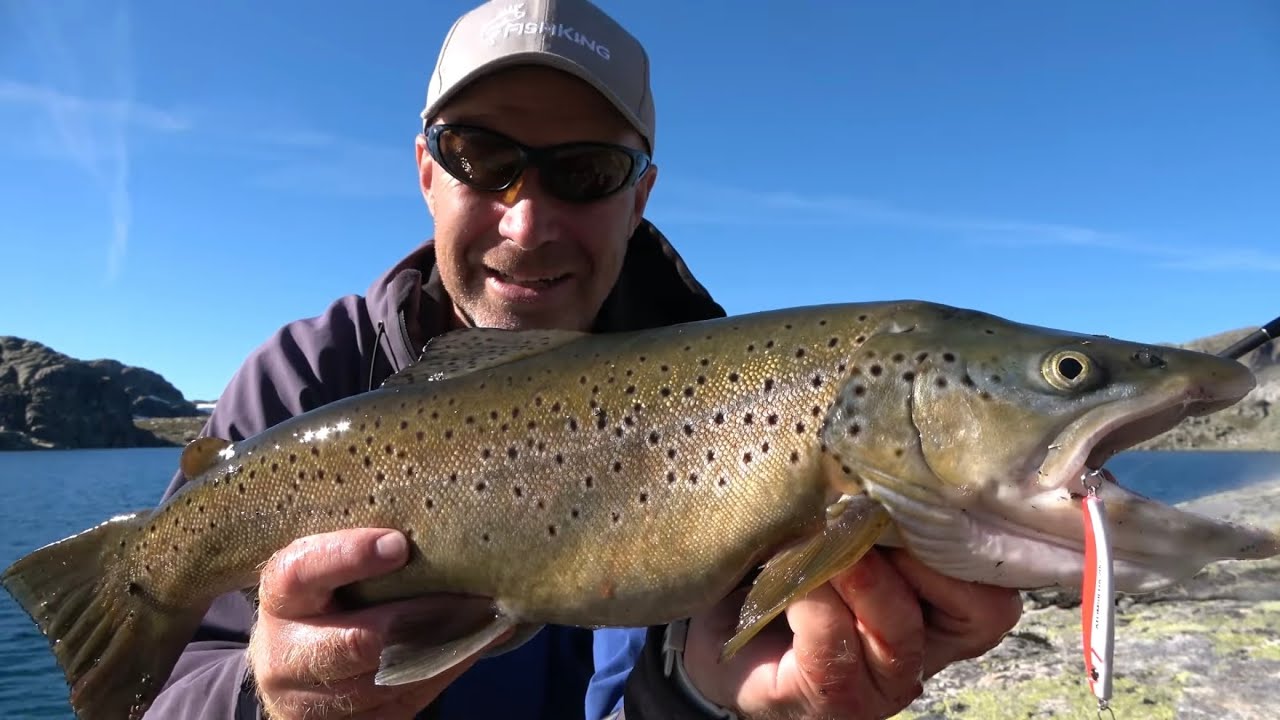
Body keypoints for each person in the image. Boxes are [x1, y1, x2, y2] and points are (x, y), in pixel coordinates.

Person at [146, 1, 1022, 718]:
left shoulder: (755, 403)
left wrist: (714, 704)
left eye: (587, 170)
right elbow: (158, 701)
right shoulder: (300, 384)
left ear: (639, 194)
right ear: (425, 172)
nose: (526, 224)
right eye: (482, 159)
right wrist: (270, 703)